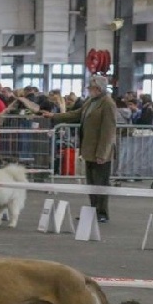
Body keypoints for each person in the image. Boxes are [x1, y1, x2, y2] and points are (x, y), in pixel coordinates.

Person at [42, 75, 116, 223]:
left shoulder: (107, 103)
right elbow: (76, 114)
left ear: (98, 88)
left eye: (91, 87)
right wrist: (54, 116)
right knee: (91, 183)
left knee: (100, 184)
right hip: (89, 150)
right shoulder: (91, 101)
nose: (88, 90)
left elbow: (109, 131)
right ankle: (92, 210)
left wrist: (103, 153)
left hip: (100, 152)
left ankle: (102, 213)